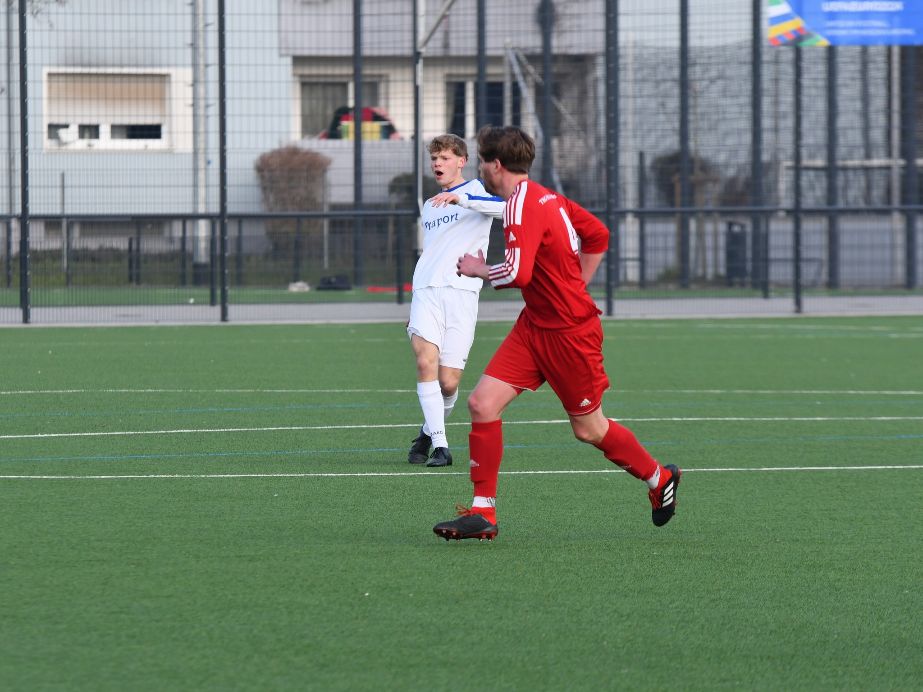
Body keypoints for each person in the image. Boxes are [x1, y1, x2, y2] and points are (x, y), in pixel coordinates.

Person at [433, 126, 681, 540]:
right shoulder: (547, 197)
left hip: (570, 335)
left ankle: (659, 478)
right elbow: (598, 234)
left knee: (589, 429)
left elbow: (517, 273)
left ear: (496, 165)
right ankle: (483, 512)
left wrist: (479, 269)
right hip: (535, 325)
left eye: (482, 161)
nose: (480, 169)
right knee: (482, 403)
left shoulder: (520, 204)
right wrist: (576, 283)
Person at [406, 134, 505, 467]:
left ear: (462, 161)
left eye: (445, 158)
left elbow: (506, 210)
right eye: (434, 158)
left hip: (462, 295)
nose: (438, 163)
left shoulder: (477, 191)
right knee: (425, 363)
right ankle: (441, 446)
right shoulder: (429, 204)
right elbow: (433, 250)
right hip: (426, 291)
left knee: (448, 383)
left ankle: (426, 432)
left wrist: (462, 200)